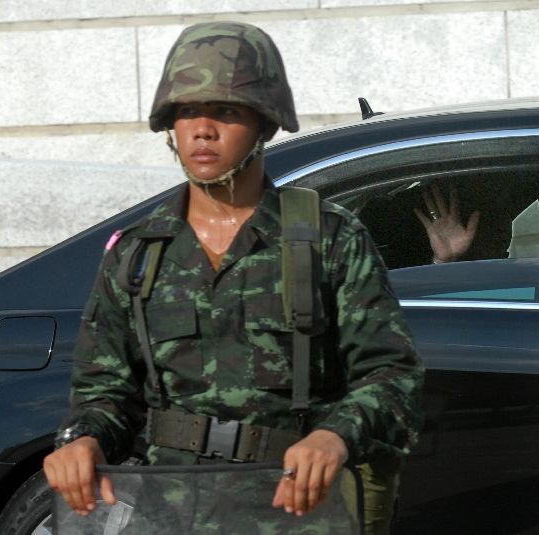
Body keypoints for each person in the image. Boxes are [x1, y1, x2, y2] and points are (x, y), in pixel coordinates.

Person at [43, 22, 424, 534]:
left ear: (264, 123)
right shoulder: (138, 254)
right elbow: (104, 392)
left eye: (226, 111)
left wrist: (335, 436)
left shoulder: (326, 239)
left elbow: (392, 376)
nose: (202, 129)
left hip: (296, 509)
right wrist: (83, 439)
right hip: (170, 510)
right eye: (186, 112)